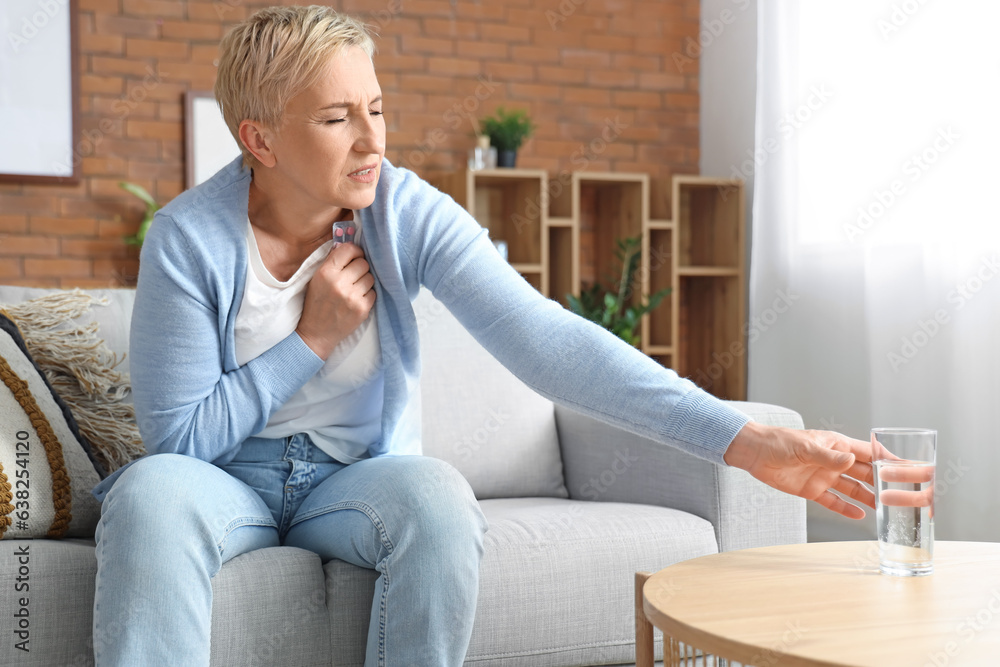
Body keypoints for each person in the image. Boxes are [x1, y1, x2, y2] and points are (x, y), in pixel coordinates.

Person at [90, 5, 875, 666]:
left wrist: (747, 440)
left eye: (378, 107)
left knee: (437, 496)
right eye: (337, 118)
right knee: (149, 497)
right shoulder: (188, 239)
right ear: (258, 140)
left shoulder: (402, 211)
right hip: (224, 477)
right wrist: (310, 340)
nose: (372, 140)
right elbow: (182, 442)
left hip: (351, 480)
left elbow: (549, 341)